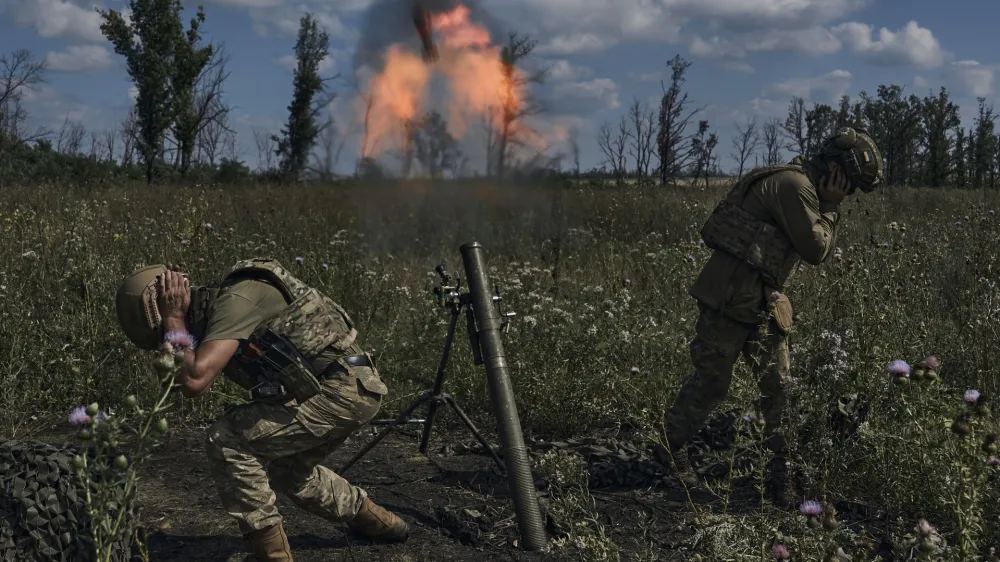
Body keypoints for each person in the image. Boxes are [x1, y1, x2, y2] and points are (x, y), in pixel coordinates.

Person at [114, 257, 410, 561]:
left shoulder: (235, 300)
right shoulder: (215, 318)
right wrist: (174, 330)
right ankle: (381, 523)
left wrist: (173, 319)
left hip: (344, 389)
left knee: (228, 437)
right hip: (336, 390)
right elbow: (179, 384)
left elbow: (193, 380)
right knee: (289, 473)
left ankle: (272, 558)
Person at [653, 127, 884, 507]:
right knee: (712, 381)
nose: (850, 194)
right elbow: (815, 249)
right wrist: (831, 208)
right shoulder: (794, 185)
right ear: (836, 169)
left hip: (762, 303)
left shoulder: (802, 184)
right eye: (851, 186)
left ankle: (781, 477)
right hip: (729, 300)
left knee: (779, 390)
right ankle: (670, 446)